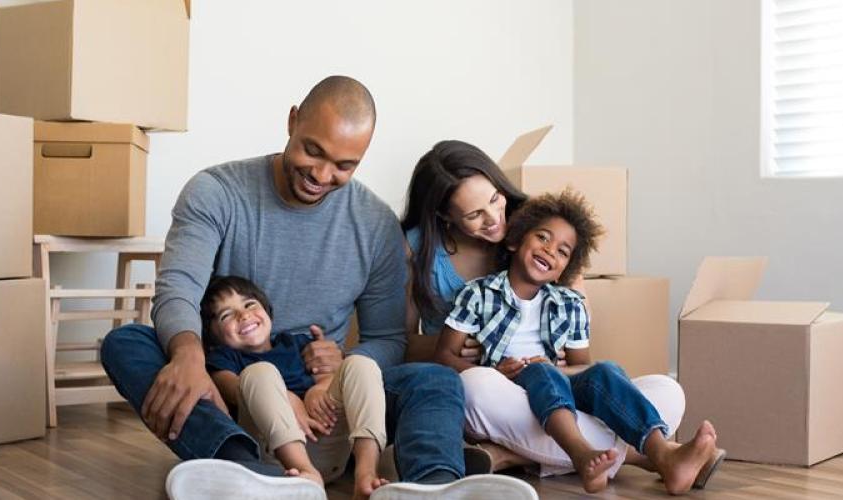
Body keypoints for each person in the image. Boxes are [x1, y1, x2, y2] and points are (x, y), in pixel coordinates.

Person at [100, 76, 537, 500]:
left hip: (328, 406)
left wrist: (339, 371)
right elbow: (178, 285)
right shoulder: (216, 192)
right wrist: (188, 355)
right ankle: (241, 465)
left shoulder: (375, 224)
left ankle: (434, 487)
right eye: (313, 151)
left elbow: (386, 338)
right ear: (293, 122)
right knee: (127, 344)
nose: (322, 174)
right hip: (230, 386)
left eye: (344, 166)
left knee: (435, 379)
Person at [400, 140, 691, 479]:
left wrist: (564, 359)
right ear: (444, 215)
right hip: (491, 388)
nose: (496, 219)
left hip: (554, 385)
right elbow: (404, 342)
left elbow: (578, 340)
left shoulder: (542, 227)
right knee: (477, 386)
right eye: (474, 214)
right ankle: (635, 455)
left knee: (668, 392)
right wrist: (471, 351)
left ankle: (509, 455)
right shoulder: (424, 253)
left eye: (495, 199)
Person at [435, 191, 725, 494]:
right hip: (508, 394)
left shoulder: (569, 304)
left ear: (566, 268)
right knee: (480, 382)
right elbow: (444, 356)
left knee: (648, 384)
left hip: (560, 396)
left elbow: (581, 369)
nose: (550, 251)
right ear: (515, 240)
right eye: (543, 238)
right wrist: (496, 372)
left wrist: (559, 370)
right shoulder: (478, 294)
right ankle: (593, 453)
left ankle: (659, 453)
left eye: (563, 251)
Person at [201, 275, 388, 498]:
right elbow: (231, 388)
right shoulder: (224, 358)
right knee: (260, 372)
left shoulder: (295, 342)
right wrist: (287, 398)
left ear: (266, 309)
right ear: (213, 335)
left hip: (327, 439)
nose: (243, 315)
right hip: (277, 456)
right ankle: (306, 474)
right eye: (226, 315)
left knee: (361, 364)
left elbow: (328, 374)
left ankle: (366, 475)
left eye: (249, 304)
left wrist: (318, 389)